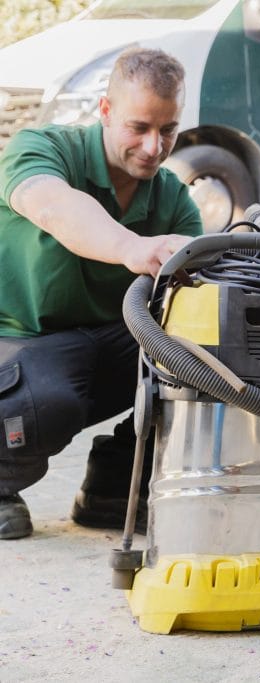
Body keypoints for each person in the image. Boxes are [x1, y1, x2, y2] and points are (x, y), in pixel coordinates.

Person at [0, 48, 202, 540]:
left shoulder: (172, 197)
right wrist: (130, 247)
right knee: (49, 400)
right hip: (22, 340)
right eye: (139, 128)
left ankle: (114, 483)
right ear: (105, 111)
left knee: (209, 359)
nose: (155, 147)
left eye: (168, 130)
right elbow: (53, 207)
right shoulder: (42, 149)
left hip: (110, 339)